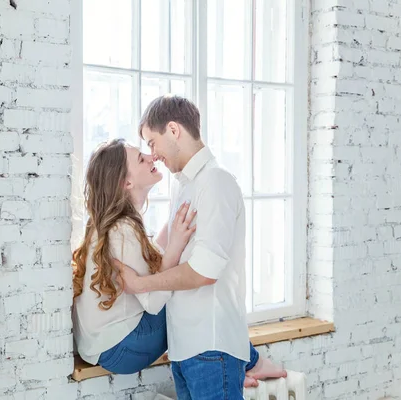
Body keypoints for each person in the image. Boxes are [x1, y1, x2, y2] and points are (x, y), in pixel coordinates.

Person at [71, 138, 284, 391]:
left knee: (184, 284)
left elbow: (152, 260)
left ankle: (236, 367)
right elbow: (153, 301)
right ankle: (249, 362)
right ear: (126, 183)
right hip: (124, 347)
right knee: (189, 288)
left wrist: (175, 227)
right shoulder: (124, 230)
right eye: (141, 158)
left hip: (99, 346)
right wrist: (176, 246)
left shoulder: (114, 224)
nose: (150, 157)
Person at [114, 94, 285, 399]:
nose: (153, 155)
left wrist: (141, 284)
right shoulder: (186, 187)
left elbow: (205, 272)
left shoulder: (215, 183)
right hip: (187, 349)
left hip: (211, 347)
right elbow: (164, 249)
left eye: (153, 143)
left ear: (174, 130)